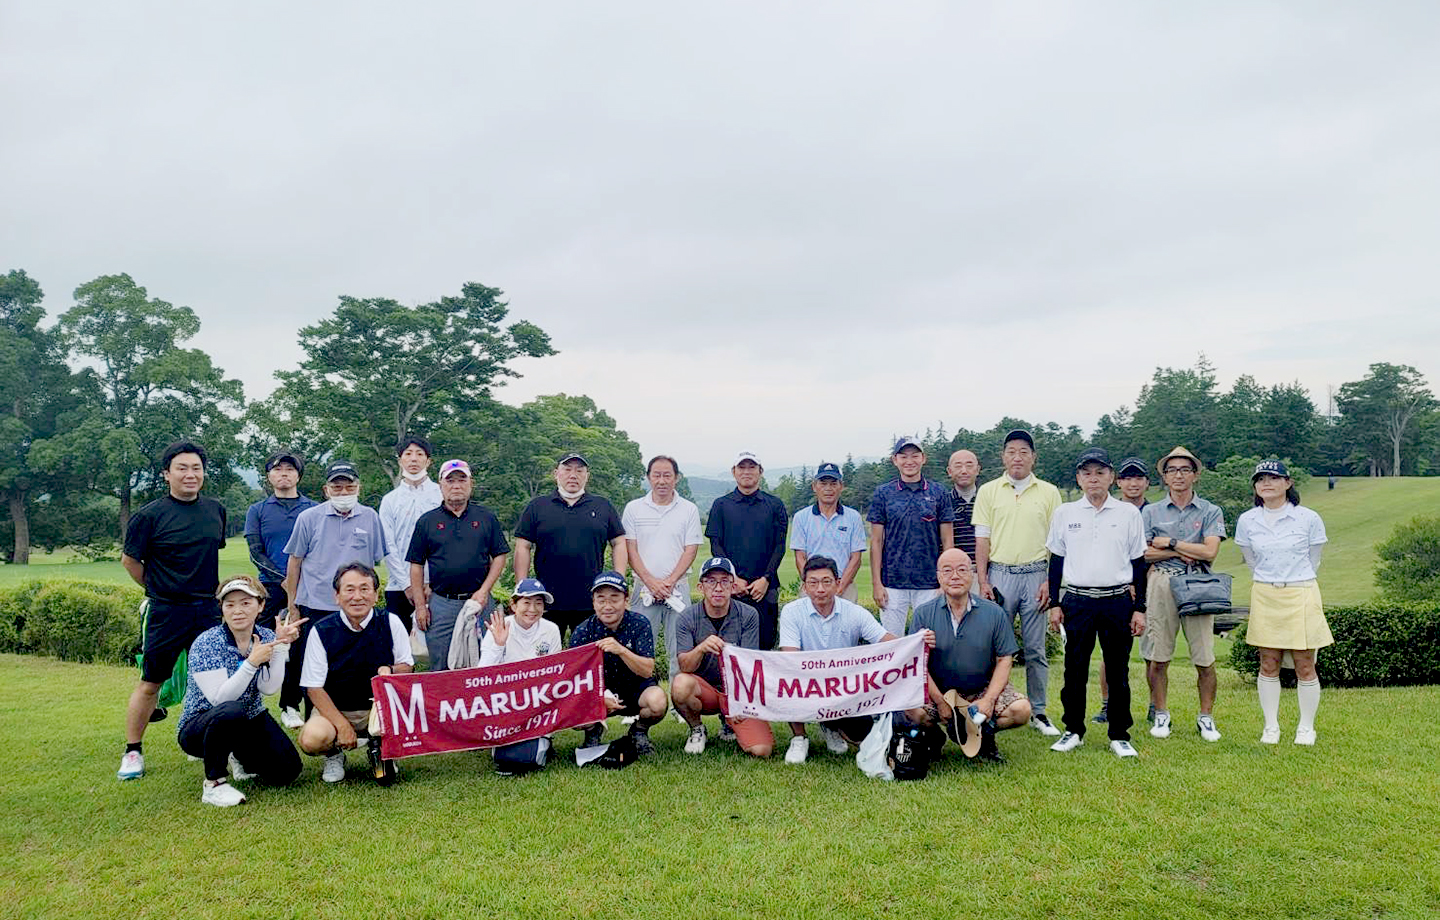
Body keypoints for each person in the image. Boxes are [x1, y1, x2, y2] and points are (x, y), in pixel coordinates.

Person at [117, 440, 228, 781]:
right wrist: (156, 589)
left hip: (208, 610)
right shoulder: (149, 516)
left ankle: (209, 743)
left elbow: (210, 555)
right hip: (166, 611)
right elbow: (130, 561)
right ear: (167, 474)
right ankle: (133, 751)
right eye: (182, 468)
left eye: (196, 468)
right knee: (151, 682)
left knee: (215, 682)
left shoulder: (215, 510)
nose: (190, 474)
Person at [1044, 449, 1148, 759]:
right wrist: (1054, 602)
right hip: (1077, 599)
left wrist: (1139, 607)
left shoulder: (1128, 514)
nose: (1093, 478)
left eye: (1100, 472)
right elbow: (1056, 562)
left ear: (1111, 477)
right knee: (1074, 668)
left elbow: (1139, 563)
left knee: (1118, 669)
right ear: (1078, 478)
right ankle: (1073, 729)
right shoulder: (1065, 513)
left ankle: (1119, 733)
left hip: (1116, 600)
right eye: (1087, 473)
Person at [177, 576, 306, 805]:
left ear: (261, 606)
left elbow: (269, 688)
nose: (237, 610)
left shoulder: (266, 636)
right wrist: (251, 663)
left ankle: (238, 755)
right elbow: (220, 700)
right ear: (222, 609)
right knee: (230, 710)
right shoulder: (206, 643)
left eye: (246, 603)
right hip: (201, 728)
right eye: (230, 604)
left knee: (287, 771)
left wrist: (282, 645)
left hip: (248, 718)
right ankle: (214, 784)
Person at [277, 460, 387, 728]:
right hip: (316, 607)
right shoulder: (309, 518)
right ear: (326, 490)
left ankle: (368, 727)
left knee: (358, 668)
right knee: (315, 672)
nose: (343, 492)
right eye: (337, 487)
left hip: (357, 608)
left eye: (349, 486)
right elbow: (295, 562)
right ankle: (324, 734)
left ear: (358, 487)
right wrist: (293, 605)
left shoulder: (370, 517)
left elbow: (372, 564)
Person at [972, 429, 1063, 736]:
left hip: (1037, 575)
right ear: (1003, 457)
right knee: (992, 647)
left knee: (1036, 648)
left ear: (1034, 457)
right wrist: (982, 579)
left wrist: (1051, 582)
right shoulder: (989, 491)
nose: (1017, 457)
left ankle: (1038, 711)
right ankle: (992, 703)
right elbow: (981, 539)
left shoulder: (1049, 492)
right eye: (1011, 451)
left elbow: (1057, 543)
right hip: (999, 575)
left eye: (1024, 451)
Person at [1235, 460, 1332, 746]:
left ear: (1288, 483)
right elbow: (1251, 560)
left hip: (1301, 591)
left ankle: (1306, 727)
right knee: (1269, 662)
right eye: (1261, 479)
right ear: (1255, 486)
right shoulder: (1247, 520)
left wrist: (1293, 580)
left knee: (1304, 664)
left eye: (1274, 478)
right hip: (1266, 593)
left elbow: (1314, 558)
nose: (1267, 483)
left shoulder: (1308, 518)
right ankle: (1271, 726)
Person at [905, 549, 1029, 764]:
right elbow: (917, 664)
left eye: (962, 570)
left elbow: (1004, 660)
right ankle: (935, 738)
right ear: (938, 576)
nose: (955, 576)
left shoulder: (994, 613)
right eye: (947, 570)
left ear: (972, 574)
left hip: (979, 691)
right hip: (939, 692)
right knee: (911, 710)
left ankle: (984, 735)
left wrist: (988, 700)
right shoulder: (924, 614)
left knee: (1021, 710)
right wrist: (940, 701)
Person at [297, 564, 414, 783]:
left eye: (364, 589)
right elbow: (313, 687)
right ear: (337, 596)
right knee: (312, 739)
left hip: (379, 709)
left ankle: (378, 748)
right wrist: (342, 726)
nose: (357, 596)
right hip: (336, 709)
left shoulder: (391, 622)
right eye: (349, 590)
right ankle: (334, 755)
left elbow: (406, 668)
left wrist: (389, 669)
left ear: (376, 594)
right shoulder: (321, 630)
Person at [1141, 446, 1227, 743]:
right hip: (1162, 583)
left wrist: (1171, 543)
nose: (1178, 475)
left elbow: (1210, 551)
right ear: (1164, 477)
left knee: (1204, 656)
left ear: (1195, 475)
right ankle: (1161, 712)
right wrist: (1183, 550)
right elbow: (1143, 553)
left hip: (1198, 586)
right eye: (1172, 470)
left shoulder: (1210, 510)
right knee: (1158, 655)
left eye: (1185, 470)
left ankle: (1206, 716)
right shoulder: (1150, 511)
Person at [778, 556, 899, 764]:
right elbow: (790, 657)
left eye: (826, 581)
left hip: (843, 687)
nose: (820, 589)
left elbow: (887, 641)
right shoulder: (791, 611)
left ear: (838, 583)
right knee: (787, 677)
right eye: (813, 582)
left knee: (861, 734)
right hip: (806, 681)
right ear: (804, 586)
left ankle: (830, 725)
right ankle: (799, 737)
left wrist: (916, 642)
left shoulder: (854, 613)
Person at [406, 459, 508, 672]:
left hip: (479, 601)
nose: (456, 485)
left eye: (462, 480)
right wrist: (420, 606)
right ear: (441, 485)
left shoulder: (486, 517)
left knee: (485, 659)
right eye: (450, 481)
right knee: (441, 663)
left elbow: (499, 556)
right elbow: (416, 565)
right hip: (442, 604)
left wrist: (484, 591)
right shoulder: (427, 522)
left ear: (471, 483)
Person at [514, 453, 628, 639]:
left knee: (590, 657)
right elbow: (522, 546)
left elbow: (619, 542)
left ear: (587, 475)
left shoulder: (602, 506)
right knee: (545, 658)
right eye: (567, 469)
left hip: (591, 600)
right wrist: (522, 587)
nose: (573, 475)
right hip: (546, 599)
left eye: (579, 470)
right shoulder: (537, 506)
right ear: (556, 473)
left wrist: (619, 581)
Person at [671, 557, 773, 757]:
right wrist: (701, 648)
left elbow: (749, 665)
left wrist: (739, 704)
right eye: (710, 581)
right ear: (700, 586)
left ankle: (729, 723)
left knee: (762, 751)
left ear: (733, 586)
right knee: (681, 684)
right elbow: (684, 666)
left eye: (724, 581)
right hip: (705, 690)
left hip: (737, 690)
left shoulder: (749, 614)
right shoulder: (686, 617)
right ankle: (697, 729)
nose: (718, 588)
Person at [568, 571, 668, 754]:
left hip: (635, 688)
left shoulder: (639, 624)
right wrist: (599, 697)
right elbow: (575, 678)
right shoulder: (583, 631)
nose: (608, 606)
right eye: (601, 599)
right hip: (599, 691)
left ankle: (639, 732)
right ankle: (592, 732)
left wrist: (622, 650)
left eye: (614, 599)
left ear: (626, 600)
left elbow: (647, 670)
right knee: (574, 708)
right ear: (593, 602)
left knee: (657, 701)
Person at [622, 455, 703, 681]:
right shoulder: (634, 508)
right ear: (648, 477)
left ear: (676, 478)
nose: (662, 480)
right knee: (637, 647)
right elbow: (631, 549)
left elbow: (690, 549)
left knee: (680, 647)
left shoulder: (689, 509)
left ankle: (680, 704)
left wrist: (668, 582)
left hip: (678, 588)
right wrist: (651, 582)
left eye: (667, 475)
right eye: (656, 475)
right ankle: (637, 702)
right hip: (643, 588)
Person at [868, 437, 955, 635]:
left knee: (929, 642)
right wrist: (877, 583)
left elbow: (948, 541)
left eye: (915, 455)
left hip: (930, 583)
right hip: (892, 583)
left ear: (923, 458)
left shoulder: (938, 492)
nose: (909, 461)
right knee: (892, 645)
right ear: (894, 460)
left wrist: (946, 581)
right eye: (903, 456)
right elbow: (876, 541)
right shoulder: (883, 493)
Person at [480, 578, 565, 774]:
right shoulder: (500, 626)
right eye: (526, 602)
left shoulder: (551, 630)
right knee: (508, 756)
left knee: (531, 755)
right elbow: (483, 675)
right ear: (513, 605)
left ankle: (544, 739)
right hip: (505, 702)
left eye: (538, 603)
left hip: (538, 700)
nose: (532, 609)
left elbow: (555, 675)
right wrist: (499, 644)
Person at [705, 451, 789, 650]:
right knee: (729, 648)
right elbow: (716, 545)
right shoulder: (721, 505)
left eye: (752, 467)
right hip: (731, 589)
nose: (746, 472)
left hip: (765, 589)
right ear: (733, 472)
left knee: (764, 645)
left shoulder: (775, 505)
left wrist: (766, 578)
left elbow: (779, 546)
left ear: (760, 471)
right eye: (741, 467)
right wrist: (732, 579)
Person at [1094, 455, 1150, 725]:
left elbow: (1146, 554)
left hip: (1149, 586)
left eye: (1138, 477)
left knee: (1153, 652)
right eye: (1127, 478)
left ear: (1147, 482)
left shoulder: (1155, 511)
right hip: (1116, 591)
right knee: (1111, 653)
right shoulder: (1108, 511)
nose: (1133, 483)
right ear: (1118, 481)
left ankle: (1155, 707)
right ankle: (1108, 705)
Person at [243, 450, 317, 631]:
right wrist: (284, 580)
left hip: (308, 585)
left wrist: (295, 583)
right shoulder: (257, 510)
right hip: (271, 587)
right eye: (277, 469)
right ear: (269, 476)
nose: (284, 473)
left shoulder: (315, 509)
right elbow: (255, 553)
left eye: (290, 469)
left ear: (298, 476)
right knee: (266, 639)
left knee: (308, 638)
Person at [378, 435, 441, 632]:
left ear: (428, 461)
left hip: (436, 586)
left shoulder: (441, 494)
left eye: (419, 454)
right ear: (400, 460)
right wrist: (408, 585)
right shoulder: (390, 500)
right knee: (398, 647)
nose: (414, 459)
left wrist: (431, 582)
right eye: (408, 454)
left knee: (437, 645)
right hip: (398, 586)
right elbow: (388, 545)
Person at [789, 462, 867, 603]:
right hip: (811, 588)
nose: (828, 489)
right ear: (814, 487)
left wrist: (839, 588)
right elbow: (800, 557)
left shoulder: (853, 517)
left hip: (844, 587)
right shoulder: (801, 517)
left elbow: (856, 558)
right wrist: (811, 585)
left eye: (833, 484)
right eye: (823, 484)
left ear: (841, 486)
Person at [946, 449, 982, 560]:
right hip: (955, 570)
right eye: (958, 466)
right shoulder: (943, 502)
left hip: (986, 570)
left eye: (969, 466)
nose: (964, 471)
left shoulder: (988, 499)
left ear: (978, 470)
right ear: (949, 471)